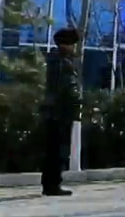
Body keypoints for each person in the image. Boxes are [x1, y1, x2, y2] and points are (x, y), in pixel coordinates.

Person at [42, 27, 82, 197]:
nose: (74, 48)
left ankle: (49, 184)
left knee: (51, 151)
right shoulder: (63, 63)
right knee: (58, 151)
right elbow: (69, 89)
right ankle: (53, 185)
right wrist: (77, 103)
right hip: (60, 113)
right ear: (67, 44)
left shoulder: (53, 60)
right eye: (73, 44)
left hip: (51, 112)